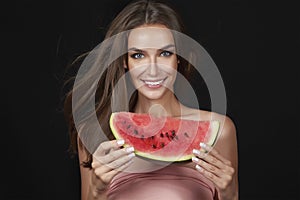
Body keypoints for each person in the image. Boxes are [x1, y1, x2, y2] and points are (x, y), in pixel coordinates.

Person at [63, 0, 239, 199]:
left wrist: (229, 193)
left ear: (178, 58)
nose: (153, 69)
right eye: (138, 55)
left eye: (165, 53)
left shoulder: (220, 130)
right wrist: (96, 190)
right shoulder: (95, 133)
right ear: (125, 62)